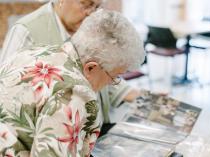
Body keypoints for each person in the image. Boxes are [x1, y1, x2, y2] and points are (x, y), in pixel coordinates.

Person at [0, 9, 145, 157]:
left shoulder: (30, 53)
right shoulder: (77, 93)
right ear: (91, 68)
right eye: (114, 76)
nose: (111, 83)